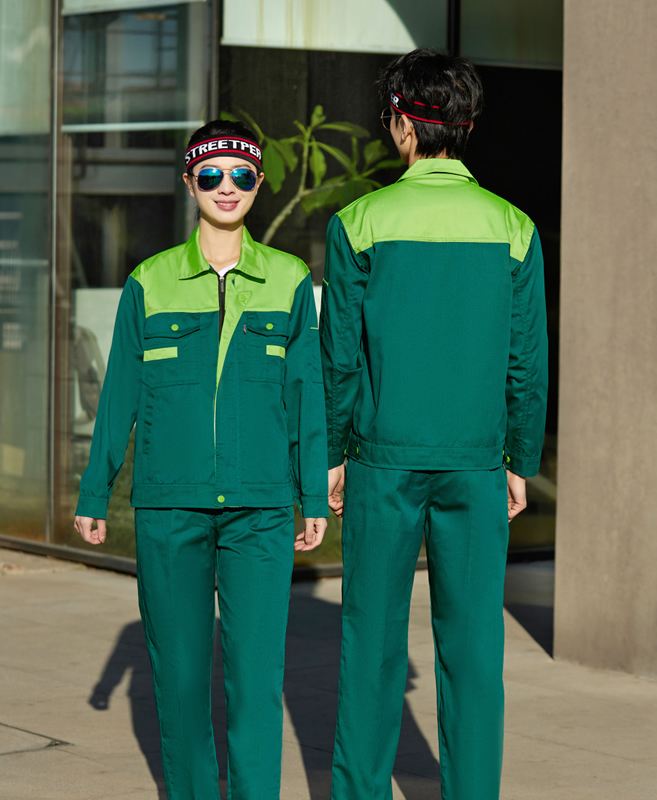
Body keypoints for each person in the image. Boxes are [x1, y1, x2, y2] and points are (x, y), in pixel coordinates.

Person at [74, 120, 329, 800]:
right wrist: (95, 492)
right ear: (189, 183)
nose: (226, 187)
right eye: (211, 175)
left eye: (240, 175)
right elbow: (119, 394)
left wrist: (311, 494)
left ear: (258, 183)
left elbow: (306, 395)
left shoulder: (288, 279)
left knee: (256, 680)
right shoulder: (149, 282)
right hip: (169, 509)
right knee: (181, 681)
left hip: (260, 510)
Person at [320, 49, 548, 800]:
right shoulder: (513, 228)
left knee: (371, 644)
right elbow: (526, 360)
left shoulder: (359, 222)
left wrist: (331, 453)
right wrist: (519, 459)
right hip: (477, 464)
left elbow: (339, 358)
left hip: (381, 462)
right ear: (466, 126)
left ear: (402, 125)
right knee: (474, 651)